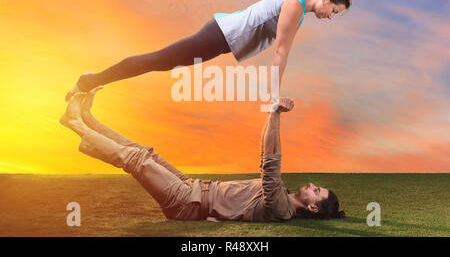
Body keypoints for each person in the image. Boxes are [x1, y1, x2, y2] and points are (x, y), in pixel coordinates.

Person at [60, 87, 345, 221]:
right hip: (191, 187)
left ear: (312, 208)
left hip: (187, 204)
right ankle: (87, 118)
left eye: (316, 190)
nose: (310, 185)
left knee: (137, 161)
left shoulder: (282, 210)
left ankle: (74, 123)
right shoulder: (282, 196)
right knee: (144, 152)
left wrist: (274, 114)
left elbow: (269, 163)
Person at [65, 0, 351, 102]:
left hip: (221, 37)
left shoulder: (298, 9)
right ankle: (90, 79)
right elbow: (281, 52)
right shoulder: (295, 4)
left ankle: (92, 79)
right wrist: (273, 95)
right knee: (158, 60)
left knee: (162, 63)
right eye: (335, 11)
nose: (331, 16)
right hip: (219, 34)